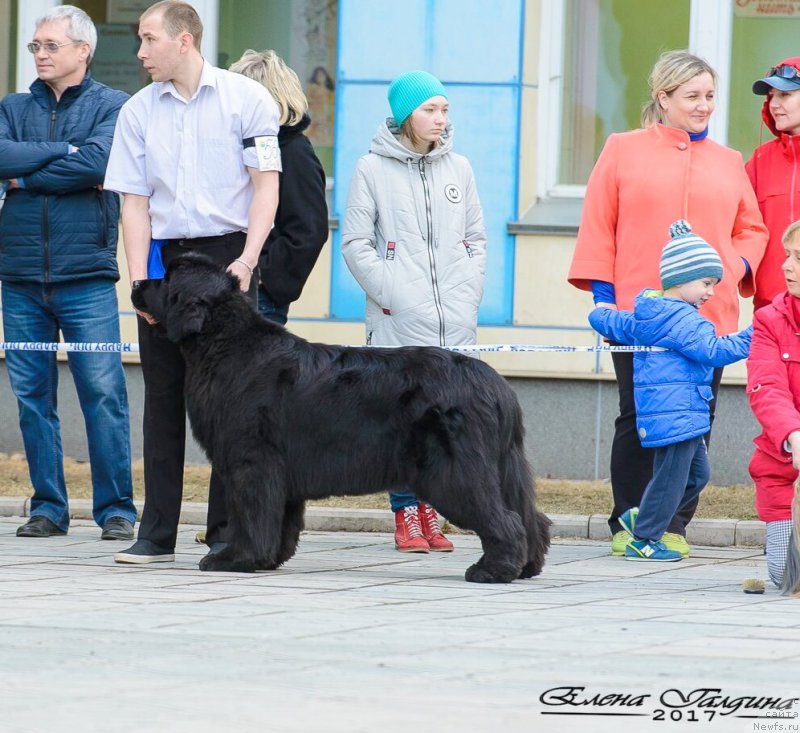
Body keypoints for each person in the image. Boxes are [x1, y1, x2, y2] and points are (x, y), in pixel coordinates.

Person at [568, 50, 768, 558]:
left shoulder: (728, 161)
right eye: (692, 96)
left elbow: (752, 228)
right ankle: (628, 518)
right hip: (641, 317)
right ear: (663, 97)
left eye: (709, 97)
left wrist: (735, 269)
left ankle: (673, 522)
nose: (703, 106)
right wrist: (603, 297)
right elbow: (598, 223)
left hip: (708, 316)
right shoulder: (621, 149)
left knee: (695, 420)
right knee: (638, 416)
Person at [104, 0, 281, 563]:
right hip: (166, 259)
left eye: (148, 38)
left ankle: (228, 533)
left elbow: (266, 188)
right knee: (162, 398)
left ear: (183, 41)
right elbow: (134, 203)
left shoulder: (246, 100)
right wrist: (140, 284)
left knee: (233, 404)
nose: (139, 51)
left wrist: (248, 262)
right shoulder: (137, 111)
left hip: (230, 259)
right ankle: (155, 534)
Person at [0, 5, 136, 541]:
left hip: (87, 278)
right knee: (32, 395)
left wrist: (26, 177)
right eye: (35, 46)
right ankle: (49, 508)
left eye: (50, 45)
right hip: (19, 275)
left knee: (102, 391)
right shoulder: (12, 107)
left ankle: (116, 509)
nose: (40, 54)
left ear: (83, 50)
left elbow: (100, 162)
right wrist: (61, 152)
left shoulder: (114, 105)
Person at [341, 70, 487, 553]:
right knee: (402, 421)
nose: (440, 119)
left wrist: (466, 295)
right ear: (406, 115)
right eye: (430, 109)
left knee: (446, 421)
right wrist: (393, 293)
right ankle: (405, 513)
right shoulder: (371, 169)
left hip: (452, 323)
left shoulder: (459, 169)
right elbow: (355, 244)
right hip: (398, 321)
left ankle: (432, 511)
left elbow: (476, 241)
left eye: (445, 109)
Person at [589, 221, 753, 561]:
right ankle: (645, 538)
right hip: (677, 415)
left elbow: (617, 323)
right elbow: (715, 352)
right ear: (680, 279)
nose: (711, 291)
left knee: (697, 475)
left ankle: (644, 516)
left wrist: (599, 315)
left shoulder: (651, 315)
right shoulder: (683, 320)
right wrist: (757, 333)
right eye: (706, 282)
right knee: (672, 479)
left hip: (681, 414)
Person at [229, 49, 328, 325]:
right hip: (231, 286)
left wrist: (265, 280)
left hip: (260, 297)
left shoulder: (293, 151)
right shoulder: (240, 145)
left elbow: (308, 231)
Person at [746, 220, 800, 586]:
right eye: (787, 255)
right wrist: (793, 435)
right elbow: (766, 387)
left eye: (799, 258)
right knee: (785, 576)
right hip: (784, 470)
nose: (786, 266)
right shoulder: (768, 320)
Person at [747, 58, 800, 311]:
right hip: (770, 310)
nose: (774, 104)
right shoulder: (759, 160)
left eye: (785, 94)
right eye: (771, 96)